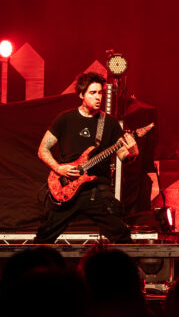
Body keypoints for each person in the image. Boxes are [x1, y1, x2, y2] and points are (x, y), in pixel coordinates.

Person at [33, 72, 138, 243]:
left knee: (122, 235)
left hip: (97, 189)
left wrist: (133, 152)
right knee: (44, 237)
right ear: (81, 95)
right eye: (92, 93)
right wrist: (59, 168)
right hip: (67, 186)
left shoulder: (110, 123)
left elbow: (124, 156)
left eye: (100, 93)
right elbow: (42, 149)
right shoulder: (65, 119)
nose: (98, 97)